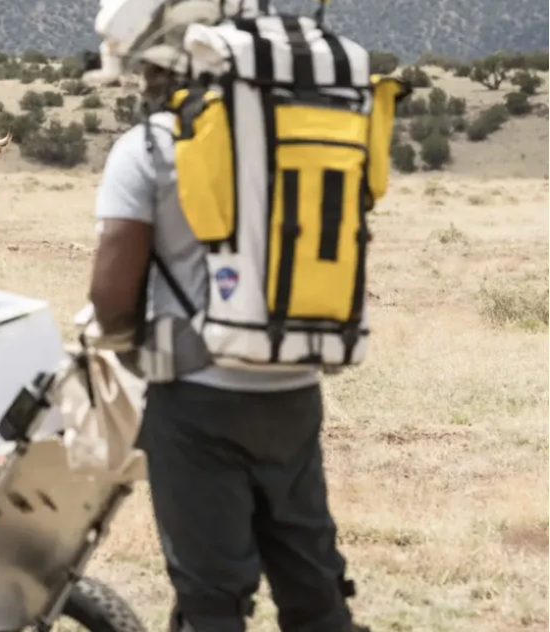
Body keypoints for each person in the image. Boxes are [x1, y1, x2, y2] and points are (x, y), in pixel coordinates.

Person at [82, 2, 368, 631]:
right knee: (314, 586)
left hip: (196, 402)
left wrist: (130, 347)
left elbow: (110, 297)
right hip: (295, 389)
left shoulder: (151, 146)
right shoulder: (303, 131)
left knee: (212, 596)